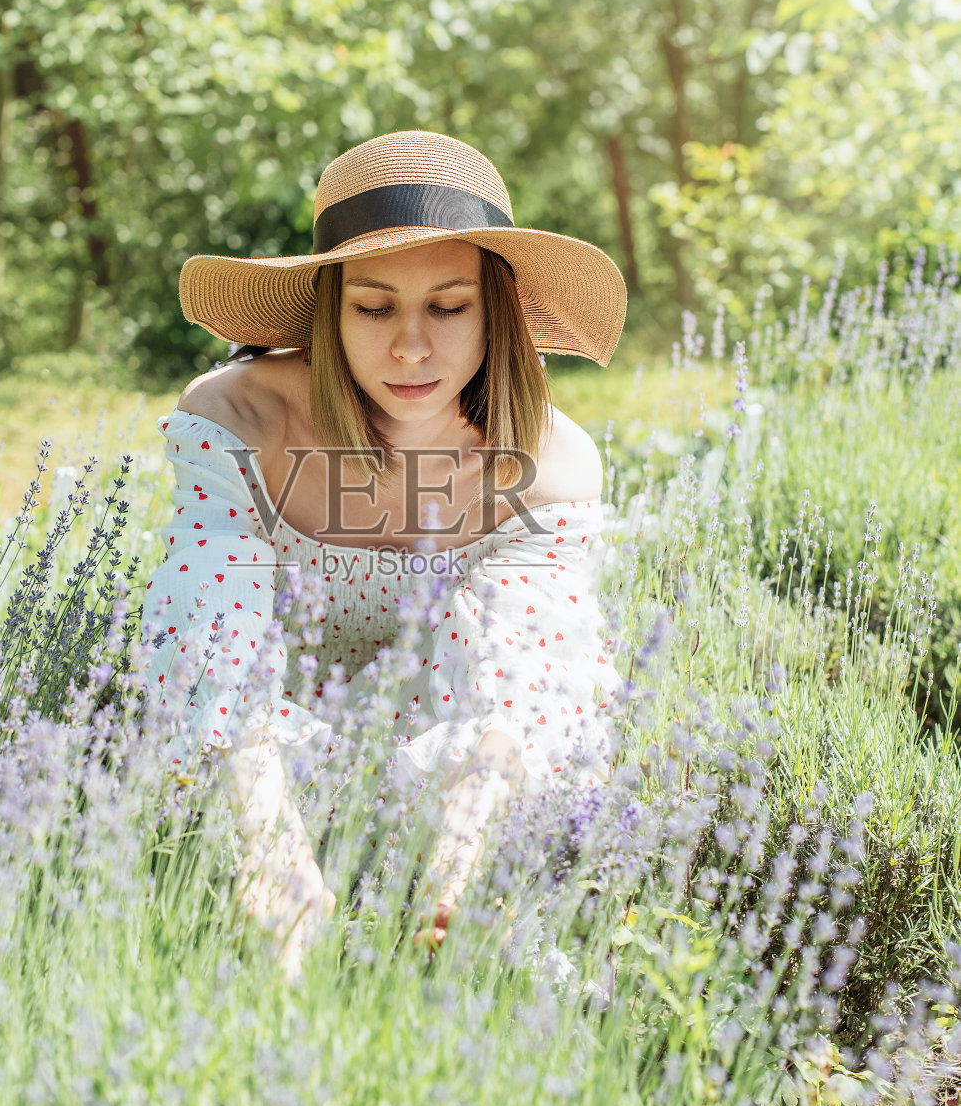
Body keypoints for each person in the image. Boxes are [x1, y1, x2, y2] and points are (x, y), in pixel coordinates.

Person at [141, 129, 626, 976]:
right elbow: (209, 629)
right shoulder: (245, 419)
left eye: (447, 307)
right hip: (256, 740)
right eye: (373, 307)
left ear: (495, 312)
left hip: (443, 744)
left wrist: (459, 850)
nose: (409, 346)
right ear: (330, 309)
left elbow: (531, 676)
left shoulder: (546, 460)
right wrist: (267, 845)